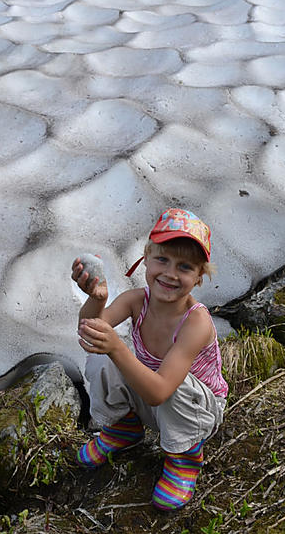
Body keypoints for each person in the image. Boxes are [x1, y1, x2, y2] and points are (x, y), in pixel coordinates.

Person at [70, 208, 228, 511]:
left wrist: (117, 348)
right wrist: (97, 299)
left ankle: (185, 457)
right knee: (101, 358)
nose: (169, 273)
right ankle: (123, 427)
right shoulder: (135, 301)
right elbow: (91, 331)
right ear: (146, 258)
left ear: (198, 277)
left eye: (184, 266)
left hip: (194, 409)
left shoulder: (196, 323)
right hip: (153, 398)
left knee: (164, 377)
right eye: (162, 260)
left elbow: (161, 391)